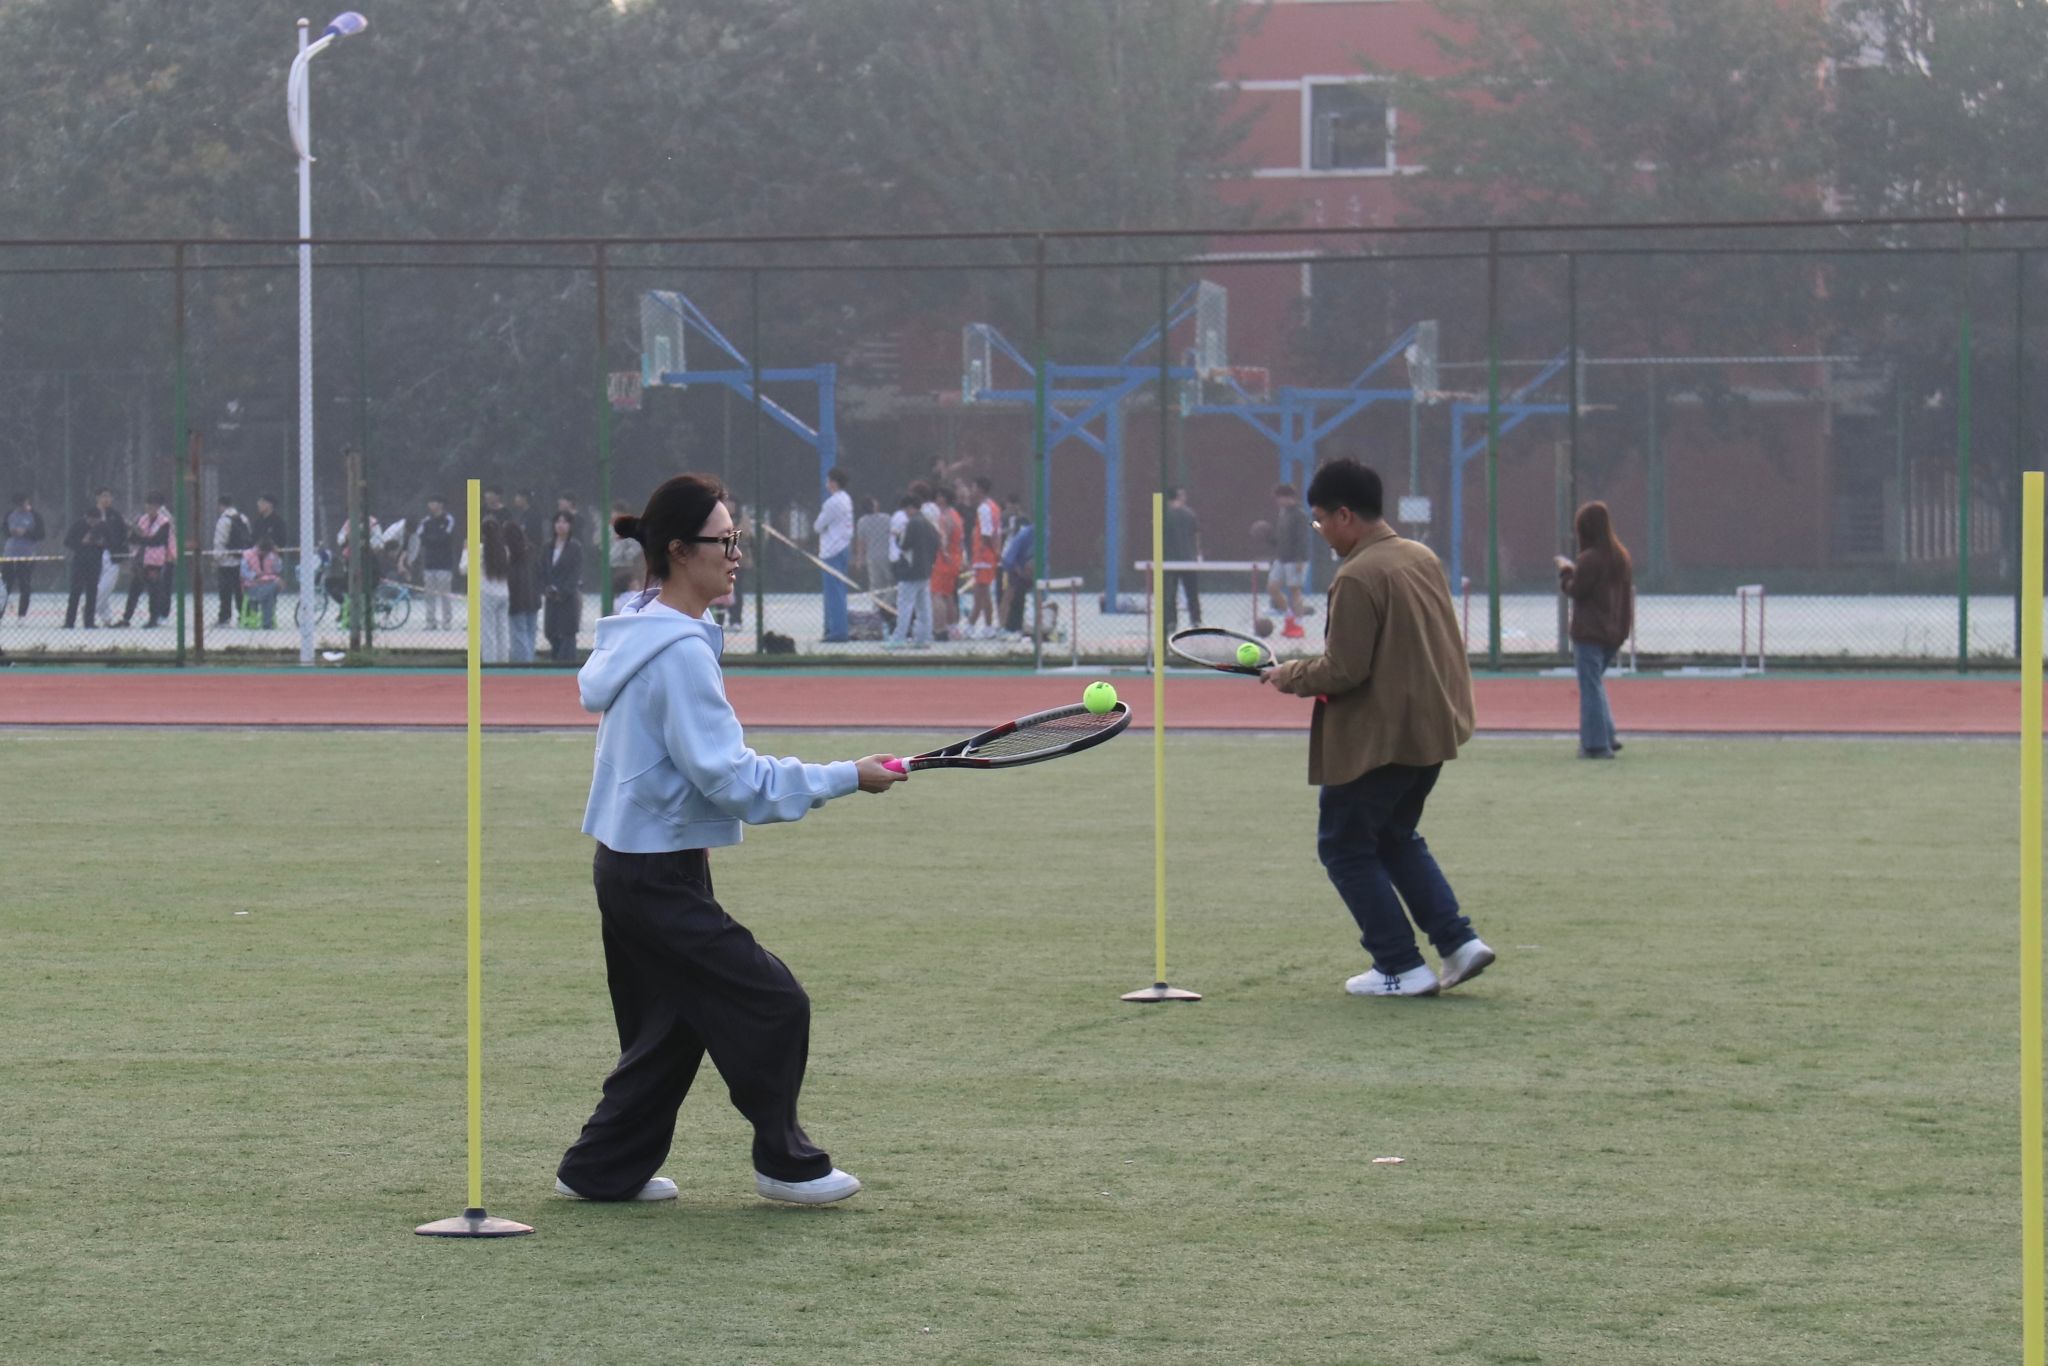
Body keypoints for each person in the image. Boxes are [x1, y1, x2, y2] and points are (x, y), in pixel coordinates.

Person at [554, 472, 906, 1205]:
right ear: (680, 551)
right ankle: (785, 1164)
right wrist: (848, 775)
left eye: (737, 537)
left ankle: (598, 1170)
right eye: (724, 540)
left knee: (672, 1025)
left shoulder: (642, 626)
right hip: (653, 874)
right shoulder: (678, 651)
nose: (737, 552)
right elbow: (731, 778)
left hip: (634, 864)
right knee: (775, 1002)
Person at [1260, 459, 1495, 999]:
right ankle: (1458, 942)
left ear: (1345, 515)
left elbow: (1344, 669)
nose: (1320, 531)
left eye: (1321, 520)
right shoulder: (1420, 556)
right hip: (1430, 730)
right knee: (1394, 837)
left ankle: (1399, 964)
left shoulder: (1357, 575)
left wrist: (1288, 675)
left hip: (1379, 740)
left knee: (1344, 847)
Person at [1558, 500, 1634, 760]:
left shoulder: (1590, 559)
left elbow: (1577, 589)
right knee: (1595, 684)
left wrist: (1566, 572)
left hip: (1590, 632)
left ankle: (1595, 744)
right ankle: (1607, 735)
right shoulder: (1620, 557)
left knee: (1590, 687)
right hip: (1613, 632)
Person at [63, 490, 121, 630]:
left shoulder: (103, 526)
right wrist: (82, 542)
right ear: (86, 517)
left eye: (96, 521)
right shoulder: (79, 525)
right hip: (79, 562)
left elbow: (112, 543)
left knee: (92, 593)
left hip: (95, 563)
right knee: (75, 592)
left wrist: (102, 543)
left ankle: (89, 622)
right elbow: (68, 541)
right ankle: (69, 622)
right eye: (91, 521)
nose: (93, 524)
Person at [888, 491, 937, 647]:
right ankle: (923, 638)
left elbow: (904, 545)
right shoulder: (928, 524)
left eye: (905, 510)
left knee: (905, 606)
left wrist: (897, 536)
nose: (905, 513)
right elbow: (936, 542)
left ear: (910, 507)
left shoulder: (913, 523)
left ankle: (899, 638)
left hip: (910, 571)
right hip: (925, 570)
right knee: (924, 608)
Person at [120, 493, 174, 628]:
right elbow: (133, 538)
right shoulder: (142, 519)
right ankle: (126, 618)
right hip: (140, 559)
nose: (151, 508)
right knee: (134, 590)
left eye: (154, 506)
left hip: (154, 561)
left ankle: (153, 618)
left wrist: (141, 539)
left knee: (154, 590)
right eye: (149, 505)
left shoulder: (164, 522)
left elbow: (158, 540)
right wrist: (140, 538)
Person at [814, 468, 854, 642]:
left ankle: (838, 631)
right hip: (843, 547)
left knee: (834, 593)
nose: (826, 484)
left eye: (828, 480)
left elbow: (818, 525)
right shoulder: (847, 499)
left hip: (832, 550)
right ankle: (837, 627)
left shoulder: (832, 503)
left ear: (834, 483)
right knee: (840, 591)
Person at [1269, 482, 1312, 639]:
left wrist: (1300, 559)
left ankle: (1298, 624)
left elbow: (1302, 538)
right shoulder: (1283, 513)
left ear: (1288, 497)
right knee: (1272, 587)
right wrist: (1268, 538)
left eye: (1279, 498)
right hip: (1281, 557)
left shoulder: (1300, 514)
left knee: (1295, 591)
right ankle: (1290, 617)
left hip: (1295, 559)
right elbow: (1281, 537)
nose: (1277, 501)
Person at [543, 510, 585, 663]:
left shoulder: (575, 547)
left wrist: (562, 591)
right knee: (551, 632)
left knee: (567, 633)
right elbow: (542, 569)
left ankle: (567, 665)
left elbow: (575, 573)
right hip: (551, 596)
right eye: (558, 521)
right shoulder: (548, 546)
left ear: (570, 525)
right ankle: (555, 663)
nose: (561, 525)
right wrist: (548, 588)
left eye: (565, 522)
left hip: (568, 597)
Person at [1162, 486, 1202, 633]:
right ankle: (1196, 621)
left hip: (1170, 562)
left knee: (1170, 594)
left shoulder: (1164, 515)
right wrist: (1197, 554)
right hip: (1189, 560)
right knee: (1192, 593)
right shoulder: (1190, 514)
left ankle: (1171, 622)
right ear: (1178, 497)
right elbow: (1196, 536)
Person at [415, 496, 457, 630]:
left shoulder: (448, 519)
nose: (431, 505)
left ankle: (446, 621)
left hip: (444, 564)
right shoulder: (425, 521)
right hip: (429, 563)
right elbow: (420, 536)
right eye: (430, 503)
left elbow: (445, 537)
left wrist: (432, 539)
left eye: (434, 502)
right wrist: (434, 539)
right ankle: (430, 622)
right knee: (429, 595)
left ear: (441, 504)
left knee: (445, 594)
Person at [929, 485, 964, 641]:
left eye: (938, 496)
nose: (936, 500)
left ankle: (940, 629)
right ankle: (953, 628)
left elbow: (943, 538)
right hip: (955, 558)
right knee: (949, 594)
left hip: (944, 559)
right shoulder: (956, 515)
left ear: (943, 498)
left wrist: (943, 552)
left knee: (937, 594)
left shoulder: (944, 518)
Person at [211, 494, 252, 627]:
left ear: (220, 505)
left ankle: (225, 617)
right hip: (241, 560)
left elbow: (219, 542)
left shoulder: (223, 520)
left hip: (226, 561)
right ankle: (244, 615)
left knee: (225, 591)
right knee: (240, 590)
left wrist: (217, 559)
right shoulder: (243, 518)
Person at [3, 494, 46, 620]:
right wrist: (11, 532)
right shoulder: (10, 515)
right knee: (5, 585)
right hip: (10, 554)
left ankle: (22, 615)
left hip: (27, 555)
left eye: (23, 504)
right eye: (18, 505)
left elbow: (41, 534)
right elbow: (4, 530)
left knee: (25, 585)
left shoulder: (35, 516)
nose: (21, 507)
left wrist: (26, 533)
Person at [506, 520, 539, 663]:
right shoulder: (531, 550)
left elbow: (513, 579)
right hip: (533, 597)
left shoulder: (511, 555)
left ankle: (523, 662)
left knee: (518, 633)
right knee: (530, 631)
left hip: (517, 599)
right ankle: (529, 659)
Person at [998, 505, 1033, 636]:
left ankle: (1033, 624)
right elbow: (1008, 560)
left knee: (1031, 594)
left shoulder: (1043, 534)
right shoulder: (1021, 537)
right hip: (1012, 566)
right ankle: (1002, 626)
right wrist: (1019, 571)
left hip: (1029, 570)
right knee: (1009, 594)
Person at [240, 538, 284, 628]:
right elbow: (243, 572)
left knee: (272, 589)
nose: (265, 555)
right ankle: (267, 623)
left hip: (267, 583)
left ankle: (267, 623)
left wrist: (276, 556)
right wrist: (255, 576)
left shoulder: (271, 555)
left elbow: (278, 569)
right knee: (271, 593)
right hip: (252, 586)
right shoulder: (247, 554)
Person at [853, 495, 892, 596]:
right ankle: (890, 602)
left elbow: (861, 542)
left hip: (872, 557)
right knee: (891, 581)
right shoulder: (886, 518)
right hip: (887, 555)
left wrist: (859, 559)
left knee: (876, 584)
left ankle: (877, 603)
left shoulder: (862, 522)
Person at [608, 499, 645, 600]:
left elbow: (636, 545)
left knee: (625, 592)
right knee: (611, 593)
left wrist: (626, 556)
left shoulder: (629, 527)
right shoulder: (609, 528)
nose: (613, 514)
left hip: (625, 566)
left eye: (616, 512)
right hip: (611, 565)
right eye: (613, 512)